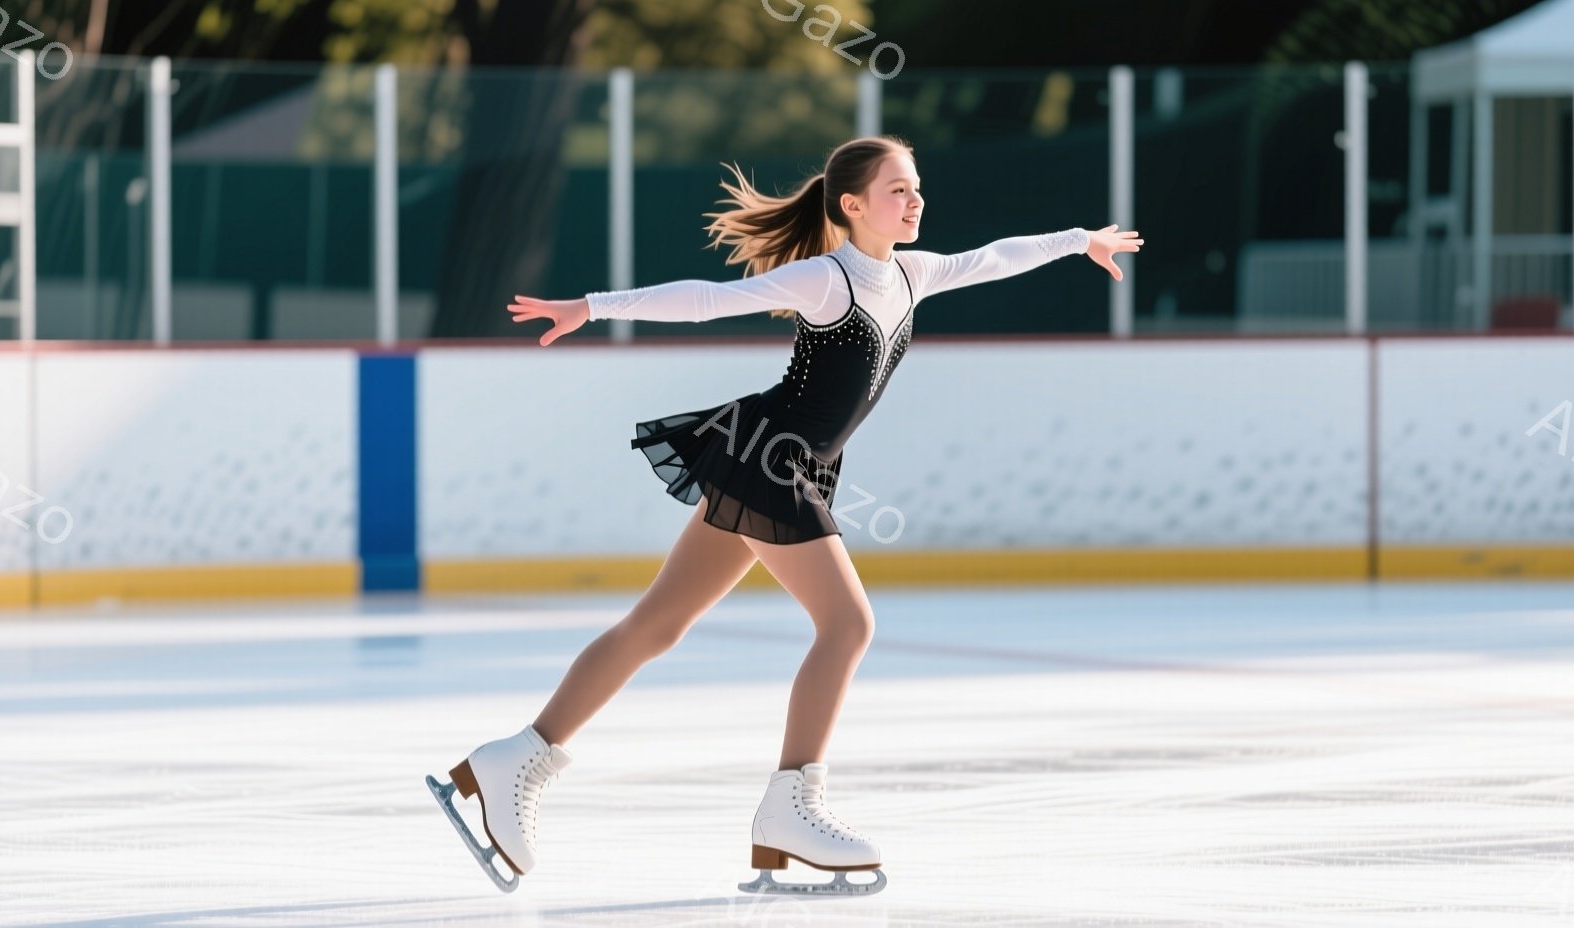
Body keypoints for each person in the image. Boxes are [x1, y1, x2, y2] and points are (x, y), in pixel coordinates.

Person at [427, 134, 1143, 896]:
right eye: (898, 190)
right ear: (853, 205)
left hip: (784, 463)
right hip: (774, 462)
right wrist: (592, 307)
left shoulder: (914, 273)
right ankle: (791, 806)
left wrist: (1079, 241)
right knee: (848, 624)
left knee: (658, 625)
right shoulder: (829, 281)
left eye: (917, 187)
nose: (915, 200)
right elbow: (706, 299)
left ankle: (514, 760)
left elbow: (996, 255)